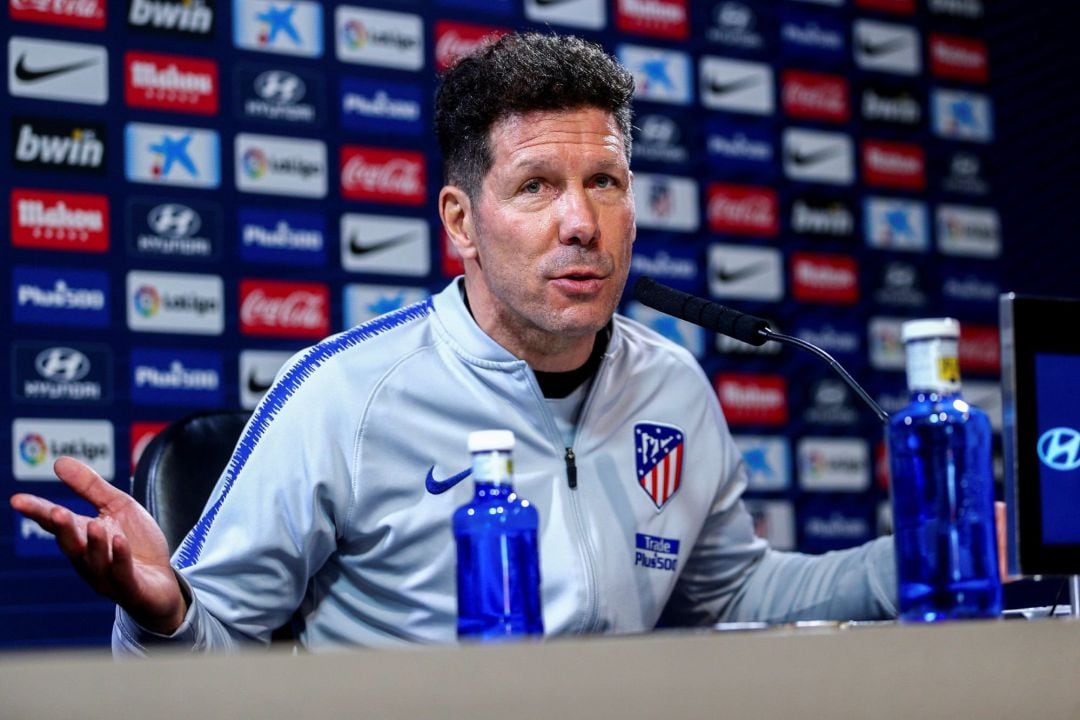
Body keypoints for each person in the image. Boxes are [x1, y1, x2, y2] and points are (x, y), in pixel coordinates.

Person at [10, 33, 897, 654]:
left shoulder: (673, 387)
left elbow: (734, 599)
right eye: (537, 186)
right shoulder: (344, 396)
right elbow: (212, 646)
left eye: (606, 182)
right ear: (462, 223)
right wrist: (161, 617)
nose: (582, 223)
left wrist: (933, 553)